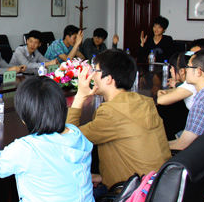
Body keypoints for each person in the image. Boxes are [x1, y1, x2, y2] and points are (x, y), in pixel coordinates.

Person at [68, 49, 171, 190]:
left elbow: (69, 139)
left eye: (95, 71)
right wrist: (105, 177)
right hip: (156, 187)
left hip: (131, 195)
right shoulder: (145, 102)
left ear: (108, 79)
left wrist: (80, 95)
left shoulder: (111, 112)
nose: (92, 76)